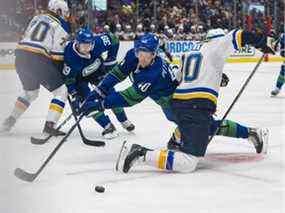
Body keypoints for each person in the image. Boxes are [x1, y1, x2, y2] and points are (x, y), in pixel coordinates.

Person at [79, 32, 272, 173]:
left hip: (173, 101)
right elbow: (118, 73)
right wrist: (100, 90)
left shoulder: (154, 73)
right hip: (183, 100)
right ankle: (245, 133)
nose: (140, 56)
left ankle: (180, 137)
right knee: (205, 126)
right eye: (139, 50)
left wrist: (99, 105)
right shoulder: (134, 55)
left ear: (154, 54)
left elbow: (129, 98)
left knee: (206, 126)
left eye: (145, 52)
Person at [0, 0, 71, 136]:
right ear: (59, 11)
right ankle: (49, 127)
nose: (66, 15)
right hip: (37, 58)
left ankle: (9, 121)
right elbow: (57, 56)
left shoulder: (36, 18)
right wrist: (63, 75)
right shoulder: (60, 26)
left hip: (20, 55)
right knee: (61, 92)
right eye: (65, 11)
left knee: (30, 93)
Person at [63, 28, 135, 139]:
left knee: (110, 94)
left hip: (98, 73)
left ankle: (123, 120)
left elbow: (114, 39)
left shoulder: (98, 42)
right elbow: (69, 80)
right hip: (80, 80)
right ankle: (108, 126)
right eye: (84, 46)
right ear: (77, 43)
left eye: (89, 45)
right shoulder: (70, 56)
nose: (87, 49)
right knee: (87, 103)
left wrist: (111, 59)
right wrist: (74, 96)